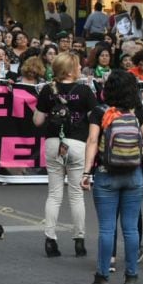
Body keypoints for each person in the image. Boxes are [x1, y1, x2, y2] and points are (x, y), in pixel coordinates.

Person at [81, 69, 143, 284]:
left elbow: (92, 141)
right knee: (130, 228)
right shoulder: (139, 111)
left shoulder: (99, 112)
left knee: (107, 229)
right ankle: (131, 277)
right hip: (134, 175)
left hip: (106, 174)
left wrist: (86, 172)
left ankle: (102, 278)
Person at [32, 52, 97, 258]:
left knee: (54, 194)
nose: (80, 69)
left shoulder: (47, 90)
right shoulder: (85, 91)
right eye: (77, 66)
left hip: (53, 142)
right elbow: (93, 117)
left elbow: (38, 121)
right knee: (77, 195)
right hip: (77, 143)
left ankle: (50, 239)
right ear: (70, 70)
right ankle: (79, 240)